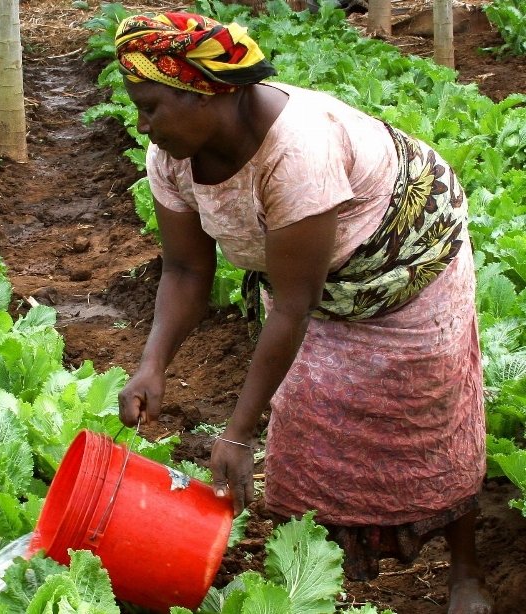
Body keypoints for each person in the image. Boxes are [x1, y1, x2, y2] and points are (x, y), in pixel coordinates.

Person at [112, 12, 492, 614]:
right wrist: (152, 364)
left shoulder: (297, 149)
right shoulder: (172, 159)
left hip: (410, 261)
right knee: (308, 425)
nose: (143, 124)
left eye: (152, 106)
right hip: (308, 276)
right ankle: (311, 574)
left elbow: (292, 305)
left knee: (429, 415)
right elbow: (186, 272)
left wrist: (237, 434)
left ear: (213, 90)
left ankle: (465, 570)